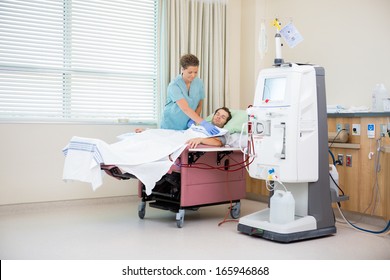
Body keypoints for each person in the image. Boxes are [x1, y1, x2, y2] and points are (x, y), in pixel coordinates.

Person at [160, 54, 219, 135]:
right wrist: (203, 123)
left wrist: (194, 120)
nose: (193, 75)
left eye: (195, 72)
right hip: (170, 125)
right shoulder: (174, 85)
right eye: (190, 72)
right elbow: (185, 108)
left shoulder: (199, 83)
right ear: (182, 69)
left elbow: (199, 105)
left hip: (187, 126)